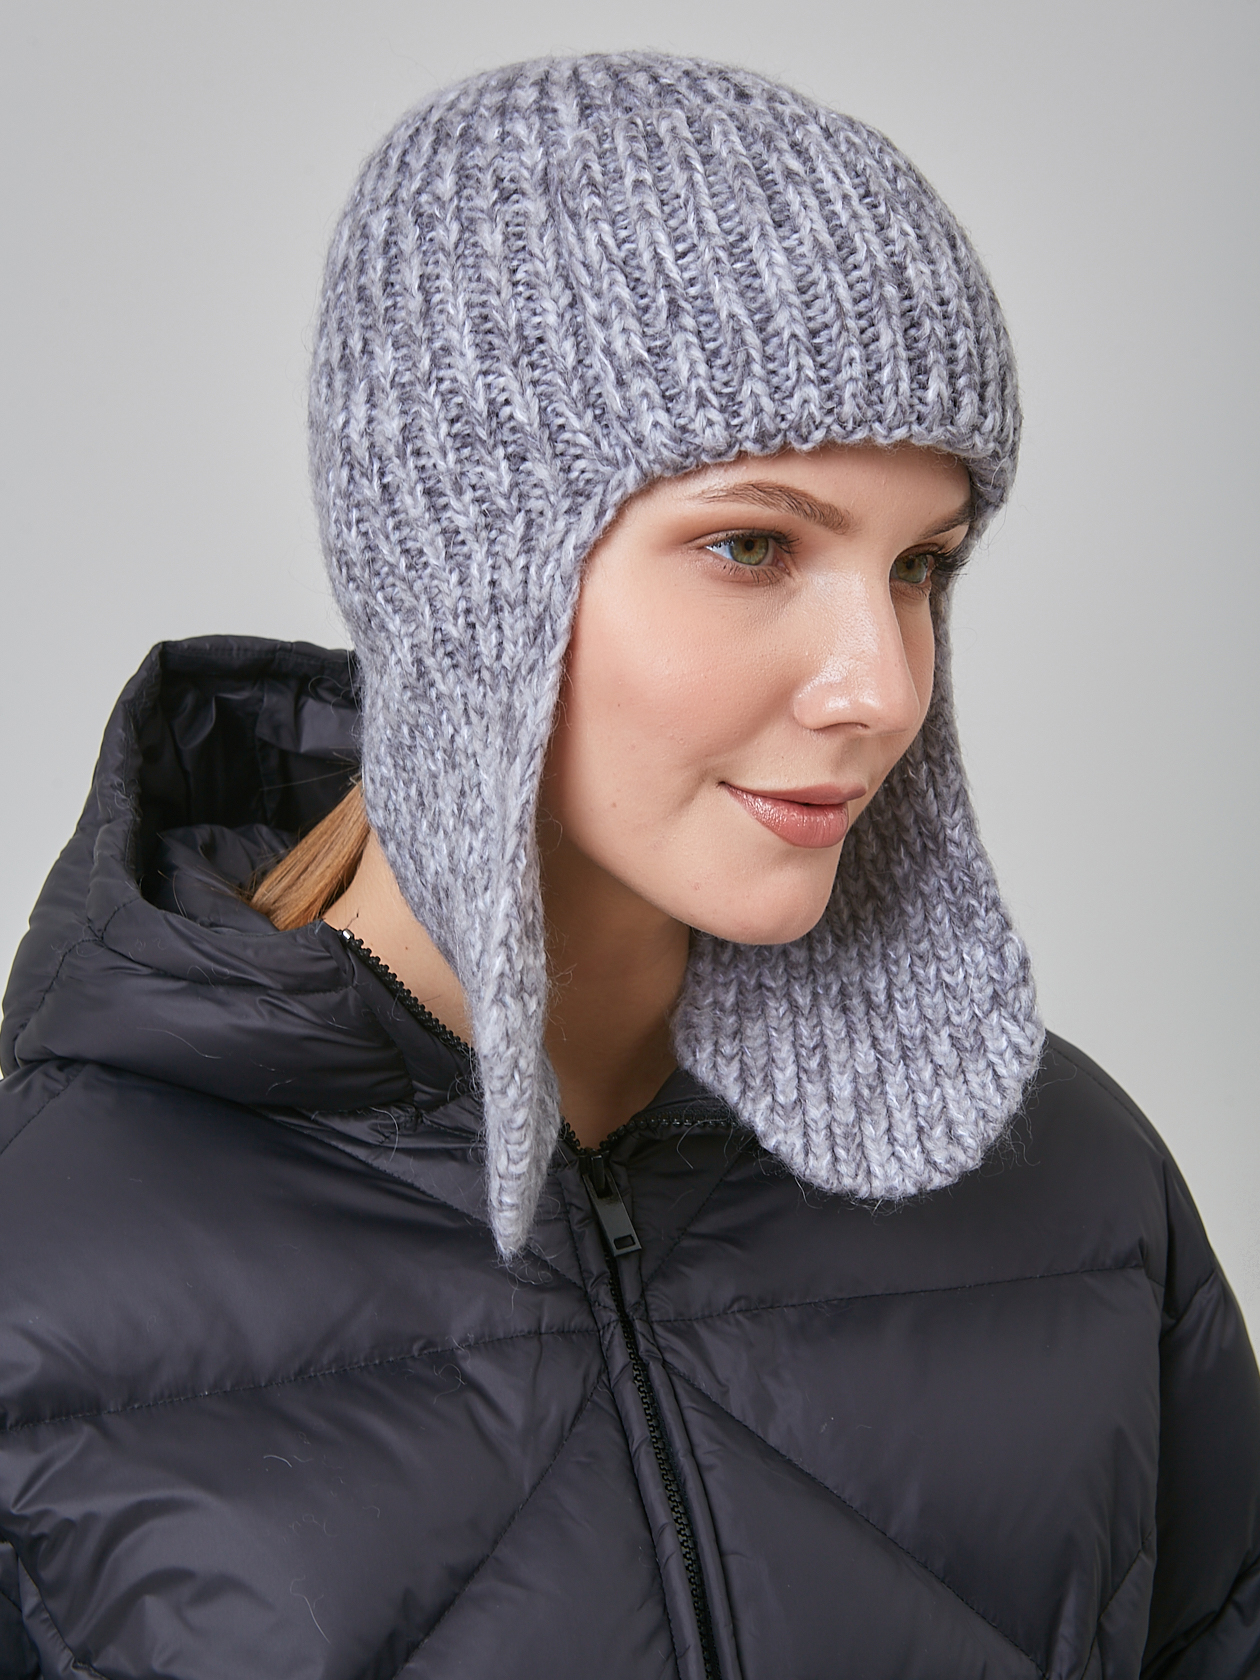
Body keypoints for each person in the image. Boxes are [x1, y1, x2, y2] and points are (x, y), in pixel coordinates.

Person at [0, 51, 1256, 1680]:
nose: (881, 686)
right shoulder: (40, 1260)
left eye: (921, 566)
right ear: (467, 575)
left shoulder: (1071, 1184)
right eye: (754, 544)